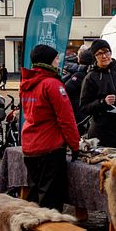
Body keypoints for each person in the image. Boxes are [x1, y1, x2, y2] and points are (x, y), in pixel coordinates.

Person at [20, 44, 80, 211]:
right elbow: (66, 119)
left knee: (35, 194)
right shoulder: (52, 84)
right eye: (55, 58)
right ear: (48, 61)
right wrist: (75, 146)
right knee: (50, 200)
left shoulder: (27, 83)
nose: (58, 61)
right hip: (49, 148)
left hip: (31, 146)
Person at [79, 39, 116, 148]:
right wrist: (102, 102)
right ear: (94, 57)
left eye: (106, 52)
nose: (104, 56)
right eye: (99, 54)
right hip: (103, 131)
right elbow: (84, 107)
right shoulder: (91, 77)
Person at [64, 48, 94, 134]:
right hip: (80, 114)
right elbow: (67, 90)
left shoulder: (80, 74)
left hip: (80, 114)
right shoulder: (81, 75)